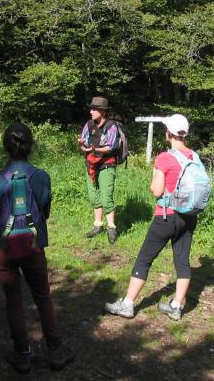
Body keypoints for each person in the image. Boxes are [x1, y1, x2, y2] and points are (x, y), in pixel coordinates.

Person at [0, 123, 73, 374]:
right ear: (31, 145)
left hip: (4, 249)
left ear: (5, 146)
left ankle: (23, 354)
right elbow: (44, 211)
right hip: (33, 245)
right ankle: (55, 351)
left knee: (13, 301)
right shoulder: (40, 176)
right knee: (42, 296)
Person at [104, 114, 198, 321]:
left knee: (144, 259)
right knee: (182, 261)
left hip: (167, 217)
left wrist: (155, 178)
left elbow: (156, 191)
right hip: (189, 217)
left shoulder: (165, 157)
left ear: (169, 133)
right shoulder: (194, 156)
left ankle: (128, 304)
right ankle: (176, 306)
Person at [78, 96, 119, 244]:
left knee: (106, 198)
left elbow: (110, 147)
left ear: (102, 111)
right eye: (91, 109)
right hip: (91, 164)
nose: (91, 112)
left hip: (107, 164)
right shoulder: (89, 125)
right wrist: (83, 144)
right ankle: (98, 226)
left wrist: (93, 149)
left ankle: (111, 228)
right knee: (93, 196)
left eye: (94, 109)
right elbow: (85, 141)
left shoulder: (111, 126)